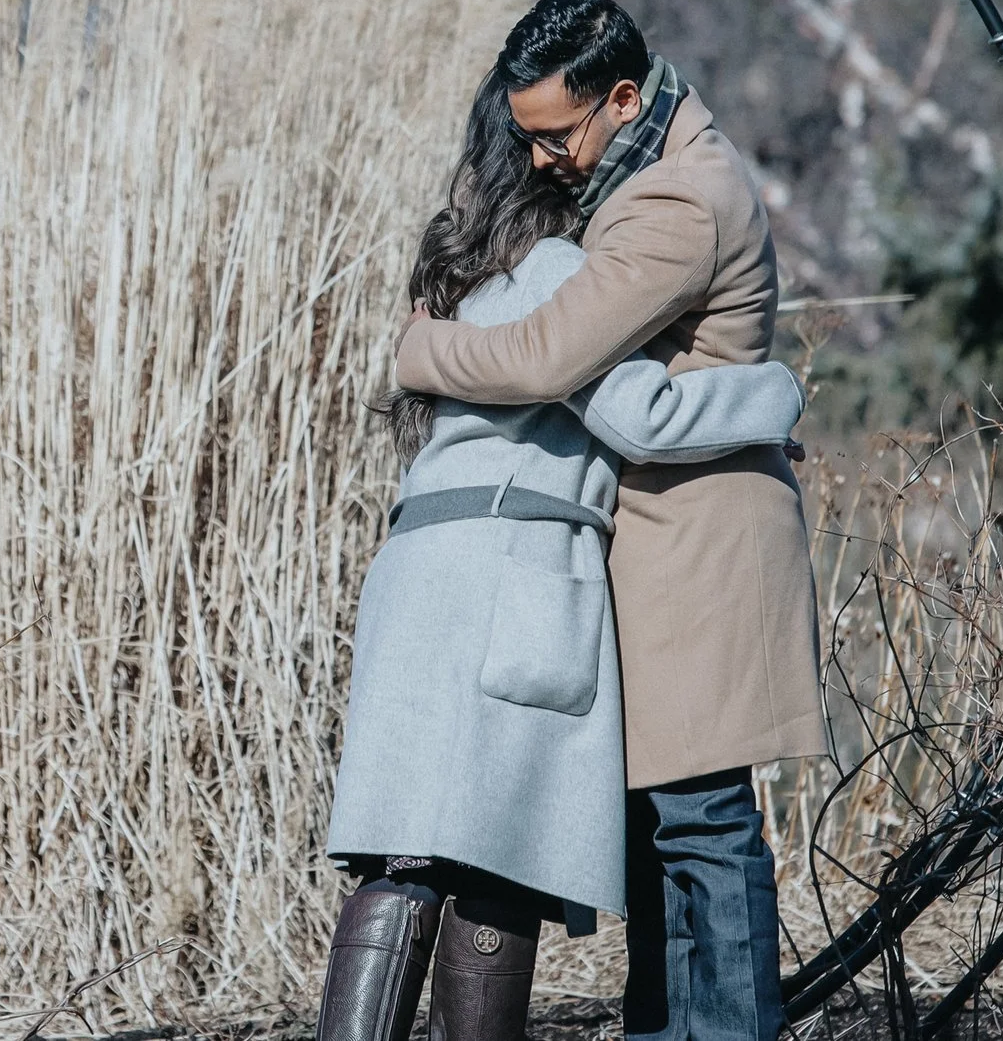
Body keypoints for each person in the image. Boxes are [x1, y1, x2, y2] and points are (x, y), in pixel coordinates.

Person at [314, 55, 808, 1041]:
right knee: (493, 857)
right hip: (520, 570)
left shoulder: (452, 274)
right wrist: (778, 394)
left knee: (400, 854)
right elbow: (644, 417)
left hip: (416, 569)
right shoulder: (560, 277)